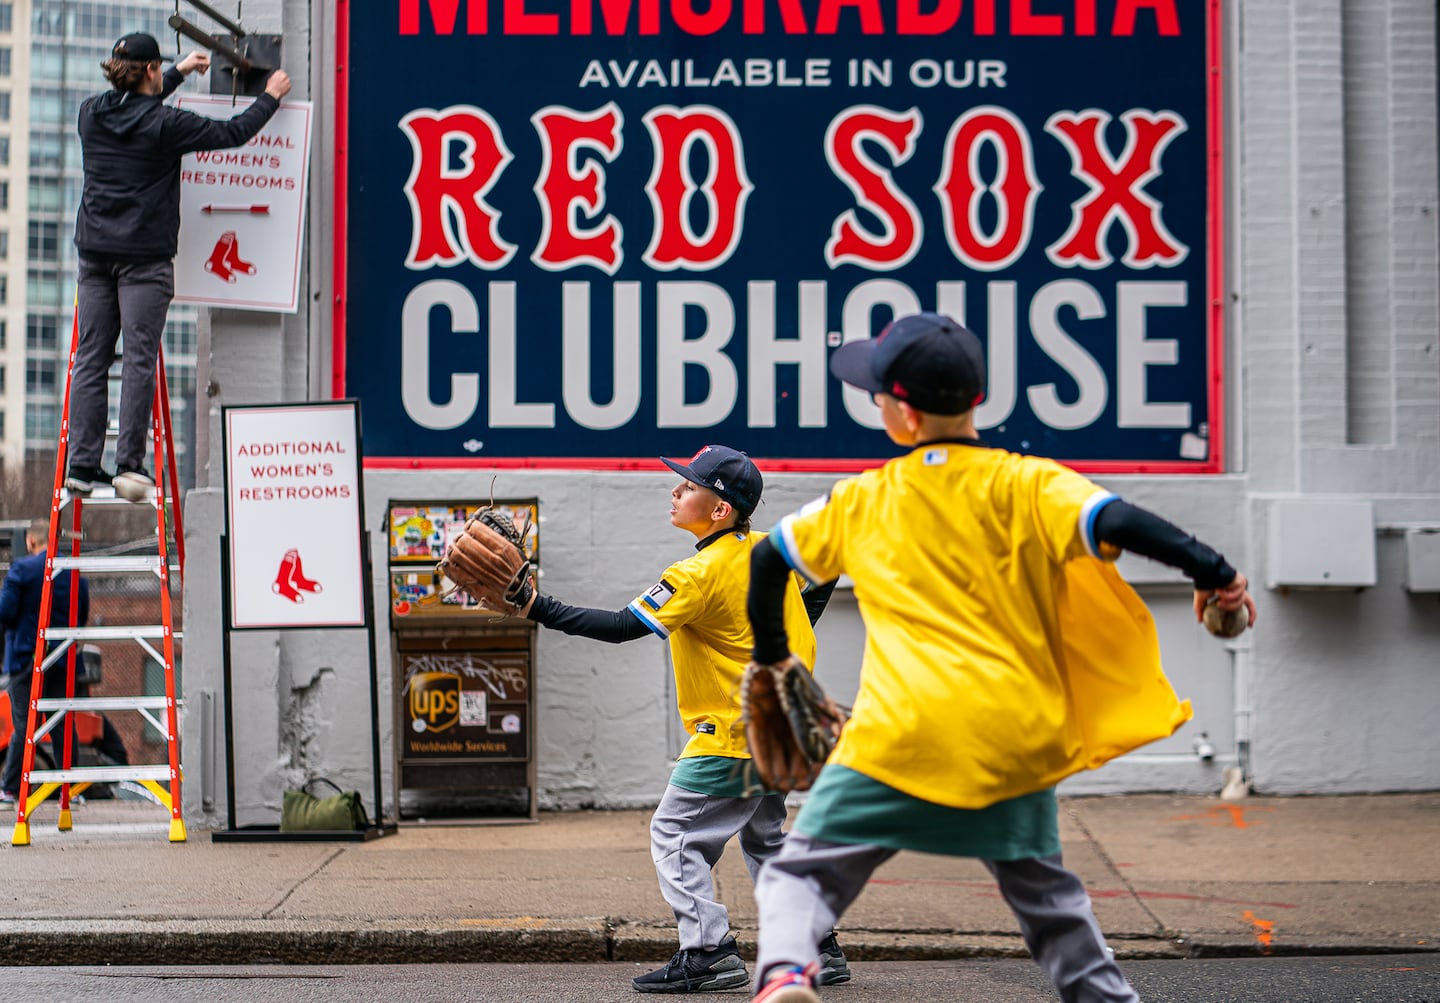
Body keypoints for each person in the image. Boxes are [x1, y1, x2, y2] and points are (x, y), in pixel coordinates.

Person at [742, 313, 1258, 1003]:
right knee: (1054, 912)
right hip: (1013, 738)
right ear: (973, 399)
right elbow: (1122, 521)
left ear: (903, 412)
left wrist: (776, 661)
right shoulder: (1030, 483)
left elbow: (771, 558)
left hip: (901, 736)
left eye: (878, 394)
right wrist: (1215, 574)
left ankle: (786, 975)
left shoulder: (867, 496)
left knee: (796, 878)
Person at [509, 446, 848, 994]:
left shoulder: (694, 574)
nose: (676, 491)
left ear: (719, 510)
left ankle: (709, 951)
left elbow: (622, 626)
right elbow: (827, 571)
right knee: (765, 839)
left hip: (733, 737)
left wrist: (533, 606)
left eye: (688, 486)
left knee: (674, 835)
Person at [66, 32, 292, 501]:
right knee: (139, 358)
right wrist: (270, 98)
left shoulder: (91, 113)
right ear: (151, 70)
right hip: (143, 262)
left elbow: (134, 107)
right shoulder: (166, 126)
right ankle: (130, 464)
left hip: (94, 256)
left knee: (91, 358)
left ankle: (82, 466)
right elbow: (231, 134)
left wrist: (179, 72)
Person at [1, 520, 89, 804]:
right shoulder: (73, 573)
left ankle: (10, 788)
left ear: (30, 541)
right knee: (62, 722)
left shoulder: (22, 571)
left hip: (26, 657)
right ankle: (69, 789)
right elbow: (81, 615)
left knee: (25, 725)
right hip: (63, 658)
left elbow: (4, 612)